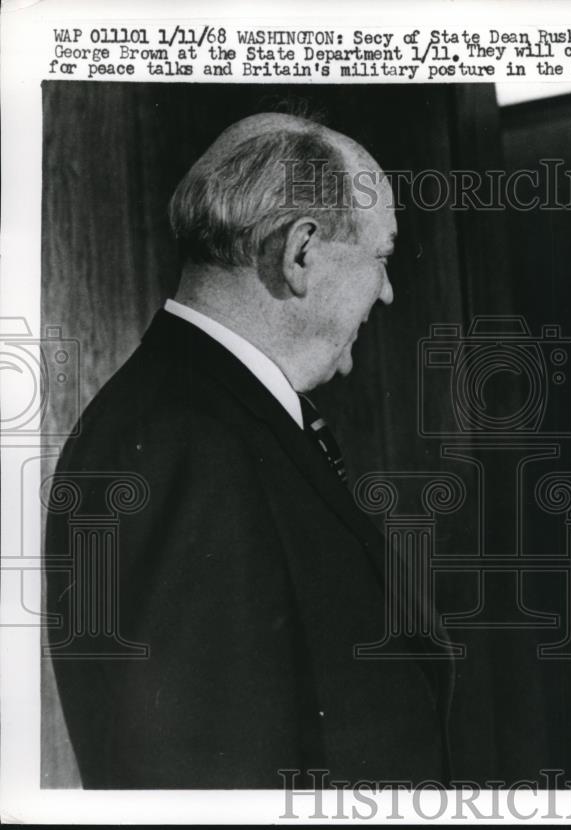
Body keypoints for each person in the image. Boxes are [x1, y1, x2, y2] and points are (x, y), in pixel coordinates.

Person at [45, 113, 453, 788]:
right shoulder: (183, 443)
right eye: (381, 258)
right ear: (302, 252)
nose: (387, 291)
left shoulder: (209, 415)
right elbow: (197, 775)